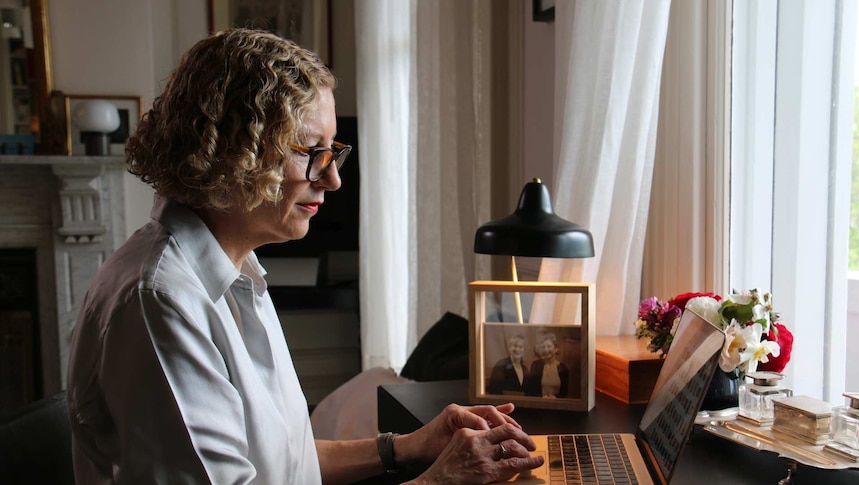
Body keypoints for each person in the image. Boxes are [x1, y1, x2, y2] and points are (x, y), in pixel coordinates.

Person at [65, 28, 543, 485]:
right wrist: (442, 478)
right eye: (311, 151)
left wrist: (409, 446)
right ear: (236, 151)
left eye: (333, 151)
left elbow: (284, 464)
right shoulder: (162, 303)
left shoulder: (235, 272)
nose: (332, 178)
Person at [524, 333, 569, 399]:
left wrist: (555, 398)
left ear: (556, 349)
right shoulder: (536, 365)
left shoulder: (563, 368)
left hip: (557, 405)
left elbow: (564, 393)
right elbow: (530, 390)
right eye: (543, 347)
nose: (546, 350)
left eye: (549, 346)